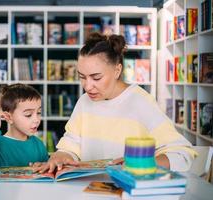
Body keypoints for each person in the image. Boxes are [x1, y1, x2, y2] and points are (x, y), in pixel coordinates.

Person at [34, 32, 196, 173]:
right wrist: (61, 156)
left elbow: (182, 154)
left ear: (117, 70)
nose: (87, 86)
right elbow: (71, 145)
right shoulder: (84, 102)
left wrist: (139, 164)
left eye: (96, 77)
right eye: (82, 77)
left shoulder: (141, 102)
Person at [0, 83, 48, 171]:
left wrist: (44, 166)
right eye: (28, 114)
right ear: (9, 117)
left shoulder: (38, 144)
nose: (36, 119)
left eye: (38, 113)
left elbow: (47, 172)